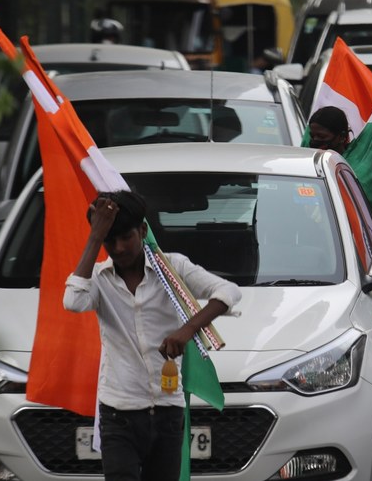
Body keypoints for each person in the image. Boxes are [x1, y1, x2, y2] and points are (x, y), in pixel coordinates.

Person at [64, 190, 241, 481]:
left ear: (143, 231)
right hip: (118, 413)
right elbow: (73, 301)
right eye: (110, 240)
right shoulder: (98, 278)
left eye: (126, 237)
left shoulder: (172, 269)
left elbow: (228, 292)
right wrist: (95, 237)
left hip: (167, 411)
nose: (119, 248)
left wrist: (187, 330)